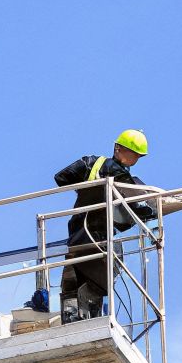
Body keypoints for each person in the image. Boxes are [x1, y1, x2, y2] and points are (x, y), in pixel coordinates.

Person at [53, 129, 158, 323]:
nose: (135, 159)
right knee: (95, 281)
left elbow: (62, 178)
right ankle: (87, 319)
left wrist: (86, 188)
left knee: (74, 281)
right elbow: (140, 208)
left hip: (79, 231)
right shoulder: (124, 178)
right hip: (99, 235)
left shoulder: (90, 163)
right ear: (118, 148)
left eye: (138, 156)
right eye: (133, 154)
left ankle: (75, 319)